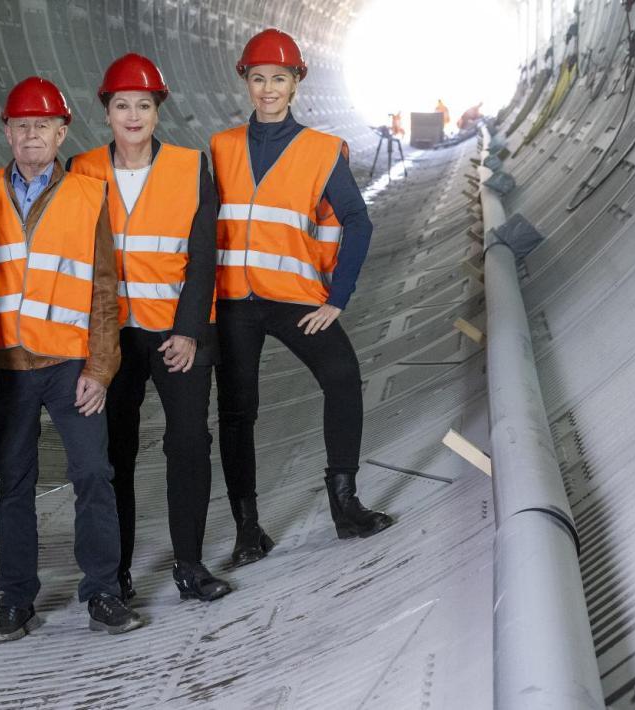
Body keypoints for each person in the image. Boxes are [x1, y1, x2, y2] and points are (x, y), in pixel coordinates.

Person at [0, 76, 143, 644]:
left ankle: (103, 591)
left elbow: (105, 290)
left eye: (42, 125)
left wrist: (101, 368)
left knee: (92, 474)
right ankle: (16, 600)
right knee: (13, 485)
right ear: (7, 132)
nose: (31, 135)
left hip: (70, 365)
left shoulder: (89, 194)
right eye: (21, 126)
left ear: (62, 132)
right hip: (8, 370)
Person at [212, 29, 395, 567]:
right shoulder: (220, 147)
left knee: (342, 377)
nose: (268, 88)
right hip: (234, 302)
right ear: (246, 82)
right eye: (258, 78)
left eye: (279, 78)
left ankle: (345, 504)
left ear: (296, 84)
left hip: (294, 298)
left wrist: (338, 298)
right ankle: (248, 529)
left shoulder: (320, 150)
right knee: (237, 412)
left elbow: (357, 220)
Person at [70, 54, 231, 604]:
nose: (133, 116)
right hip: (113, 337)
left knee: (189, 443)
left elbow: (203, 257)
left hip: (176, 333)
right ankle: (116, 574)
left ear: (158, 111)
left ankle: (189, 565)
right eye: (122, 106)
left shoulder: (190, 166)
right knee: (114, 453)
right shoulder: (82, 169)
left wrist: (188, 331)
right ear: (106, 112)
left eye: (143, 105)